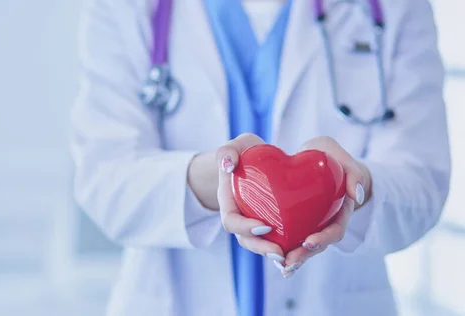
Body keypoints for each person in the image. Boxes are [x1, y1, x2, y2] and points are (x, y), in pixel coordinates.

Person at [70, 0, 451, 315]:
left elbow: (423, 184)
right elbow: (105, 181)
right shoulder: (125, 9)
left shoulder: (396, 7)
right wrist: (218, 178)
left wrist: (353, 186)